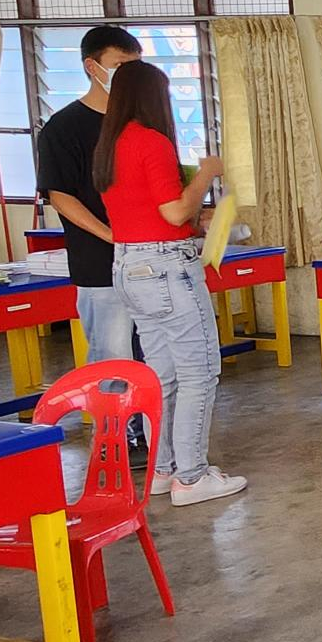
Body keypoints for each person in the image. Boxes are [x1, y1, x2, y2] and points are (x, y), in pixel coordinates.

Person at [93, 60, 246, 507]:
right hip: (166, 270)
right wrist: (206, 173)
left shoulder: (110, 145)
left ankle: (162, 471)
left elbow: (150, 212)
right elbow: (174, 213)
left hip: (128, 267)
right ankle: (193, 477)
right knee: (200, 372)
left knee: (162, 377)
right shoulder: (150, 141)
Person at [38, 25, 144, 364]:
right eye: (119, 66)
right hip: (100, 264)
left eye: (135, 68)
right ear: (91, 67)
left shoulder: (141, 122)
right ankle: (114, 420)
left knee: (156, 360)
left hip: (148, 262)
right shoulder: (64, 127)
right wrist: (112, 235)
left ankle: (153, 420)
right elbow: (60, 195)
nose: (128, 77)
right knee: (114, 358)